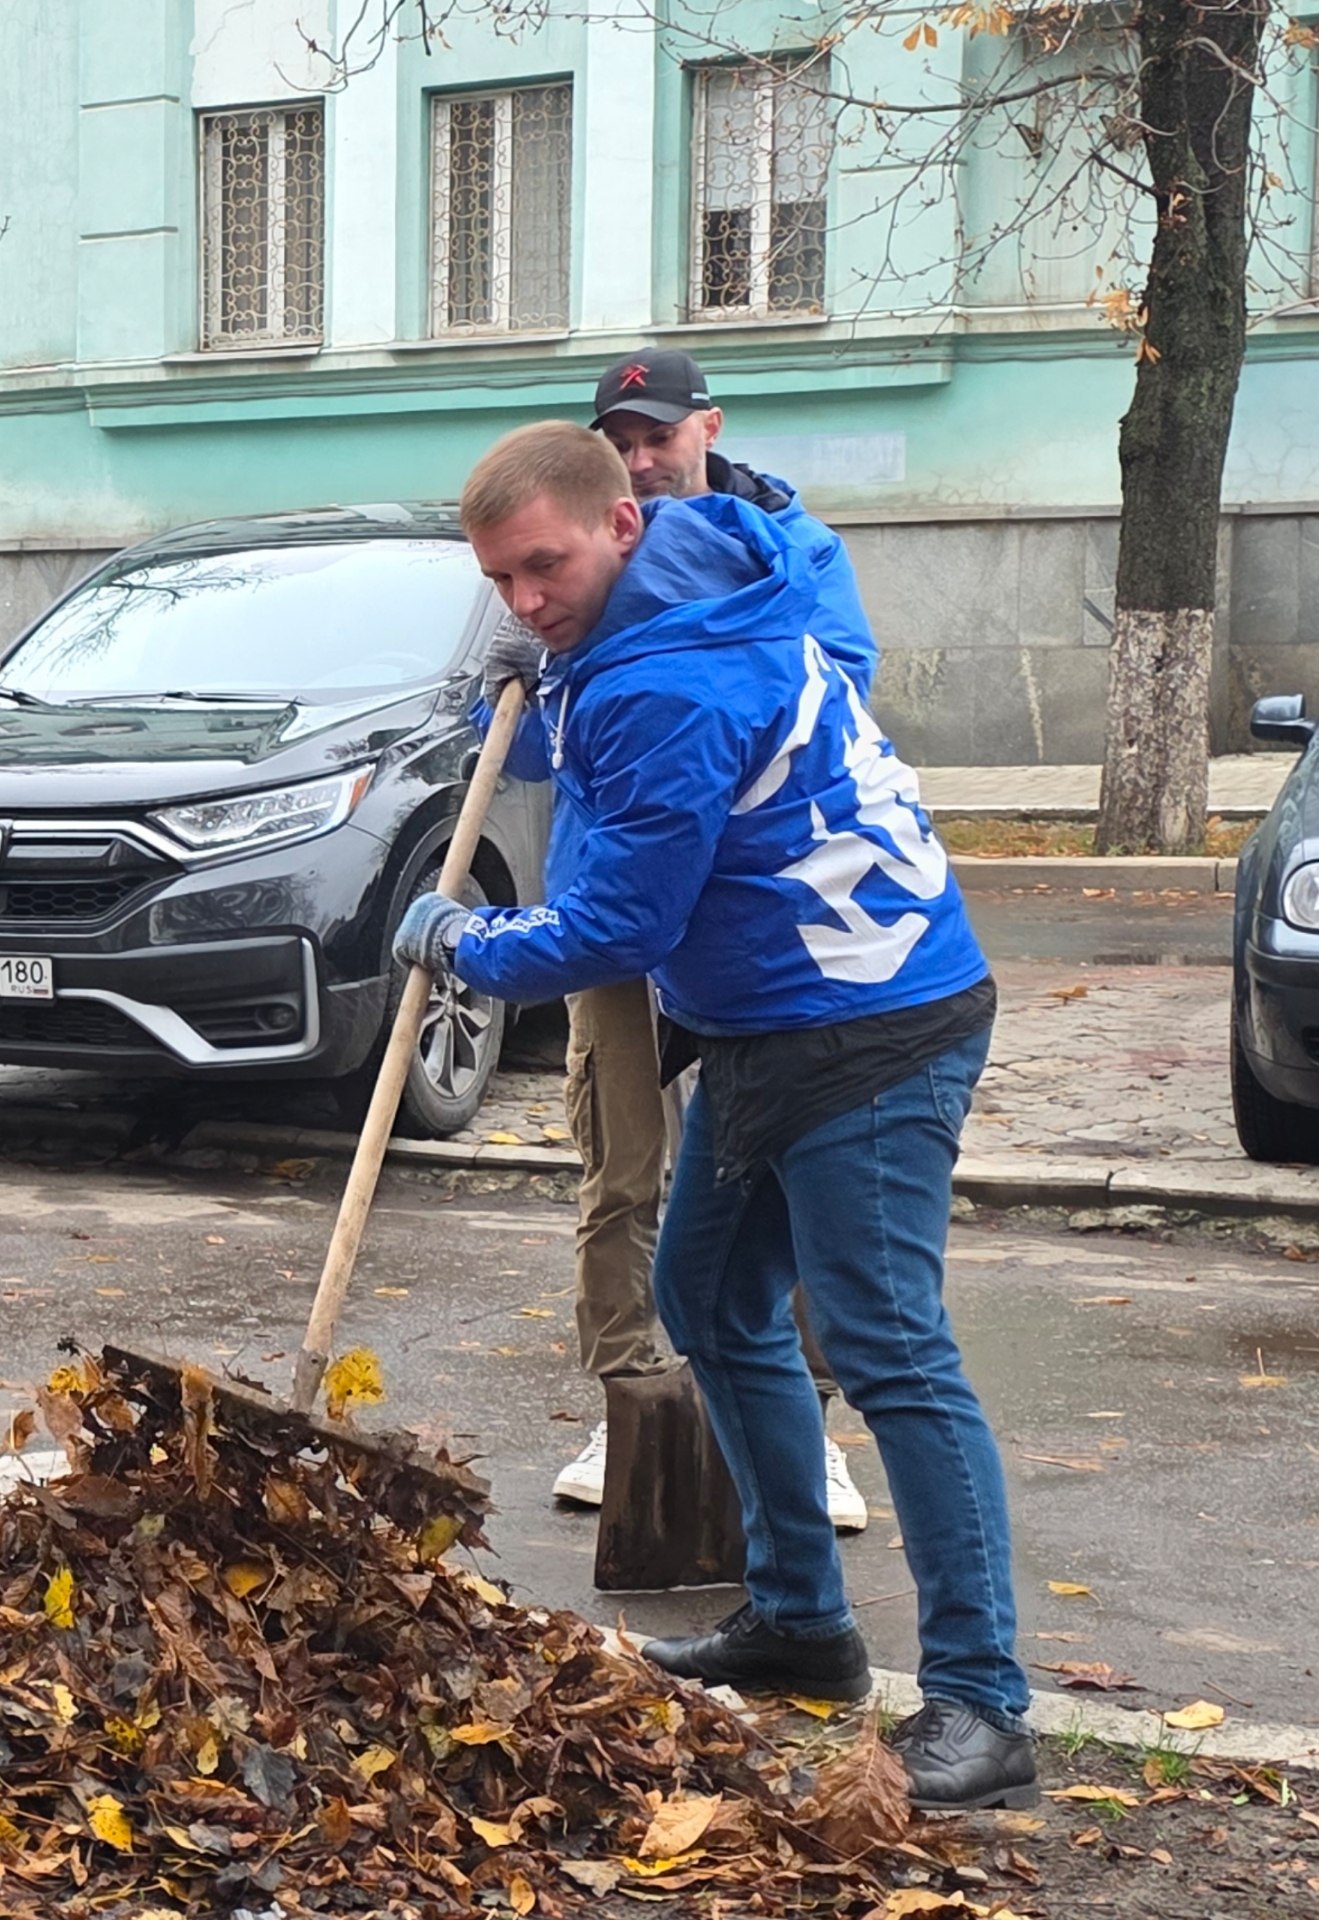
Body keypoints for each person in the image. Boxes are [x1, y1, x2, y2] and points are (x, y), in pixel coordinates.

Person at [402, 422, 1035, 1811]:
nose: (522, 598)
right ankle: (801, 1620)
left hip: (872, 1022)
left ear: (623, 526)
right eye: (498, 580)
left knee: (888, 1345)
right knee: (705, 1294)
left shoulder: (667, 682)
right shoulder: (701, 569)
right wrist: (544, 673)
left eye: (544, 569)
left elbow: (617, 923)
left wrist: (460, 940)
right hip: (770, 1020)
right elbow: (603, 721)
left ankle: (984, 1703)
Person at [500, 346, 865, 1535]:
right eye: (623, 440)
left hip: (757, 919)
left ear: (706, 426)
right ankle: (636, 1405)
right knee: (621, 1168)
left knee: (779, 1174)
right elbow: (523, 755)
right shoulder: (568, 562)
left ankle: (803, 1423)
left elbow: (836, 693)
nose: (645, 459)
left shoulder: (792, 554)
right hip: (611, 917)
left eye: (659, 434)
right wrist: (512, 689)